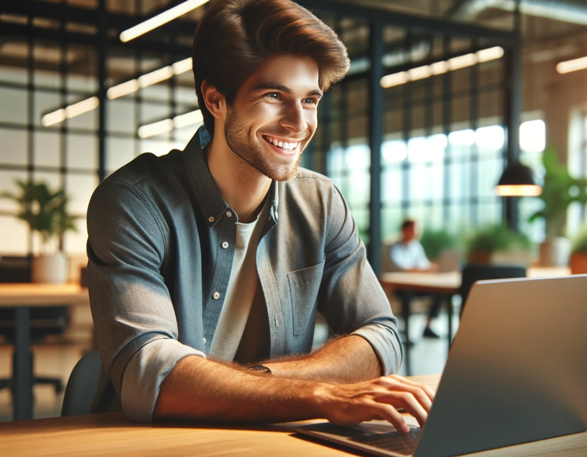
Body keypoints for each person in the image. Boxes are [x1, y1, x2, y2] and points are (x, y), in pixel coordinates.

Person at [86, 0, 432, 433]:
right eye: (274, 96)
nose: (298, 122)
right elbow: (151, 374)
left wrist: (262, 384)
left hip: (273, 440)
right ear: (216, 99)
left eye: (310, 100)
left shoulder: (321, 202)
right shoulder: (133, 202)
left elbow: (380, 336)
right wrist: (320, 392)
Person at [387, 218, 442, 338]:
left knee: (440, 292)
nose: (415, 233)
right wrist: (418, 269)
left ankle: (428, 326)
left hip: (417, 285)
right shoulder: (393, 246)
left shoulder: (416, 246)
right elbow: (399, 267)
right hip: (401, 286)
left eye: (416, 230)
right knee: (407, 294)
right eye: (412, 229)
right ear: (404, 230)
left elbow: (424, 264)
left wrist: (431, 268)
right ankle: (406, 333)